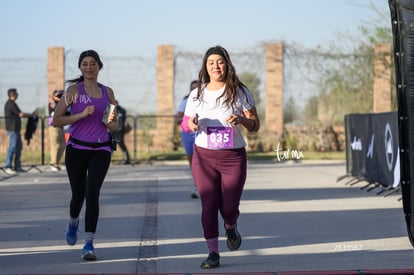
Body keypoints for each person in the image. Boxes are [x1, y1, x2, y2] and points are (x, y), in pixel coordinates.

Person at [185, 45, 260, 269]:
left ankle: (230, 225)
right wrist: (191, 124)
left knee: (228, 207)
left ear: (227, 64)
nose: (215, 66)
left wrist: (242, 120)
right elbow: (186, 123)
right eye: (211, 63)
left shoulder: (240, 91)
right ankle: (213, 253)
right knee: (208, 205)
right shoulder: (197, 93)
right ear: (205, 67)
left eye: (219, 62)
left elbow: (255, 124)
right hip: (203, 157)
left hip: (233, 158)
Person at [52, 50, 118, 261]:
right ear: (80, 67)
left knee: (92, 193)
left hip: (101, 149)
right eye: (85, 64)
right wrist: (80, 114)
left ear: (99, 66)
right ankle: (73, 223)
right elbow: (56, 120)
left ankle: (89, 243)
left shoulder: (108, 92)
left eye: (93, 63)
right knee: (78, 195)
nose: (89, 67)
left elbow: (114, 123)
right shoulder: (73, 91)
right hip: (77, 149)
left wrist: (111, 124)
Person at [4, 88, 38, 174]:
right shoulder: (10, 103)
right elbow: (21, 114)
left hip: (16, 129)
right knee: (12, 147)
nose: (17, 95)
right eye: (16, 94)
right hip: (12, 129)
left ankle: (17, 166)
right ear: (12, 95)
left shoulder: (13, 103)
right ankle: (8, 166)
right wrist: (31, 115)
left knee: (19, 147)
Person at [176, 80, 199, 198]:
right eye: (193, 88)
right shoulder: (186, 101)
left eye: (198, 88)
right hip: (187, 134)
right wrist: (186, 120)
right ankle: (197, 184)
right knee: (192, 161)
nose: (195, 90)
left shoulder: (206, 101)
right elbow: (177, 119)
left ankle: (199, 186)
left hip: (201, 134)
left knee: (200, 161)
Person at [48, 89, 66, 171]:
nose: (60, 97)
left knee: (62, 145)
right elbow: (55, 112)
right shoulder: (52, 102)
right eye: (58, 95)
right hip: (54, 126)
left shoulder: (61, 103)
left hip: (61, 126)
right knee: (55, 145)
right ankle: (53, 163)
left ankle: (57, 163)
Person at [113, 100, 131, 164]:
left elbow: (122, 118)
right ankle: (107, 159)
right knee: (111, 145)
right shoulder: (110, 109)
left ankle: (127, 159)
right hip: (112, 130)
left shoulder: (121, 110)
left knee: (121, 144)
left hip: (119, 131)